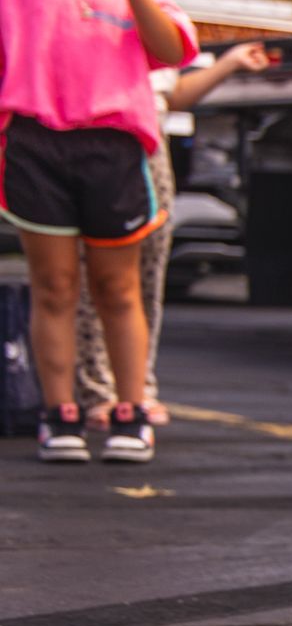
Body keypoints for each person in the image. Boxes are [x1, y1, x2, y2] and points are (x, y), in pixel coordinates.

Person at [1, 0, 197, 463]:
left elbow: (170, 51)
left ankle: (130, 410)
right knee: (53, 286)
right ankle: (59, 412)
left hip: (113, 148)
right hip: (34, 145)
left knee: (119, 290)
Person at [74, 25, 270, 429]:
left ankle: (137, 389)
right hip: (89, 141)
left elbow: (173, 94)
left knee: (144, 276)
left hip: (146, 147)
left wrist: (230, 62)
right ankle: (95, 390)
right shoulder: (84, 19)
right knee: (89, 274)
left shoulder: (142, 21)